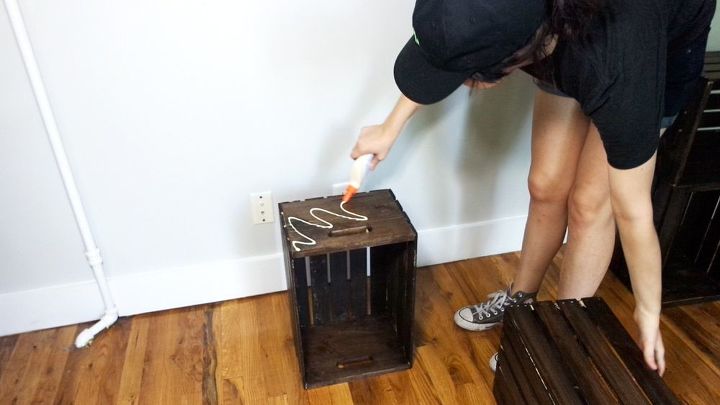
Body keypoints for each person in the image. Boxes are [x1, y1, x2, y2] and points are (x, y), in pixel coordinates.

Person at [350, 0, 715, 376]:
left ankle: (560, 333)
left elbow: (633, 210)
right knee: (545, 183)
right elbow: (450, 41)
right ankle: (521, 300)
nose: (462, 83)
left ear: (514, 56)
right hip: (576, 27)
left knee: (590, 205)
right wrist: (389, 128)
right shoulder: (520, 17)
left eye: (466, 75)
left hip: (652, 51)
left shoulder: (617, 67)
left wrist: (648, 308)